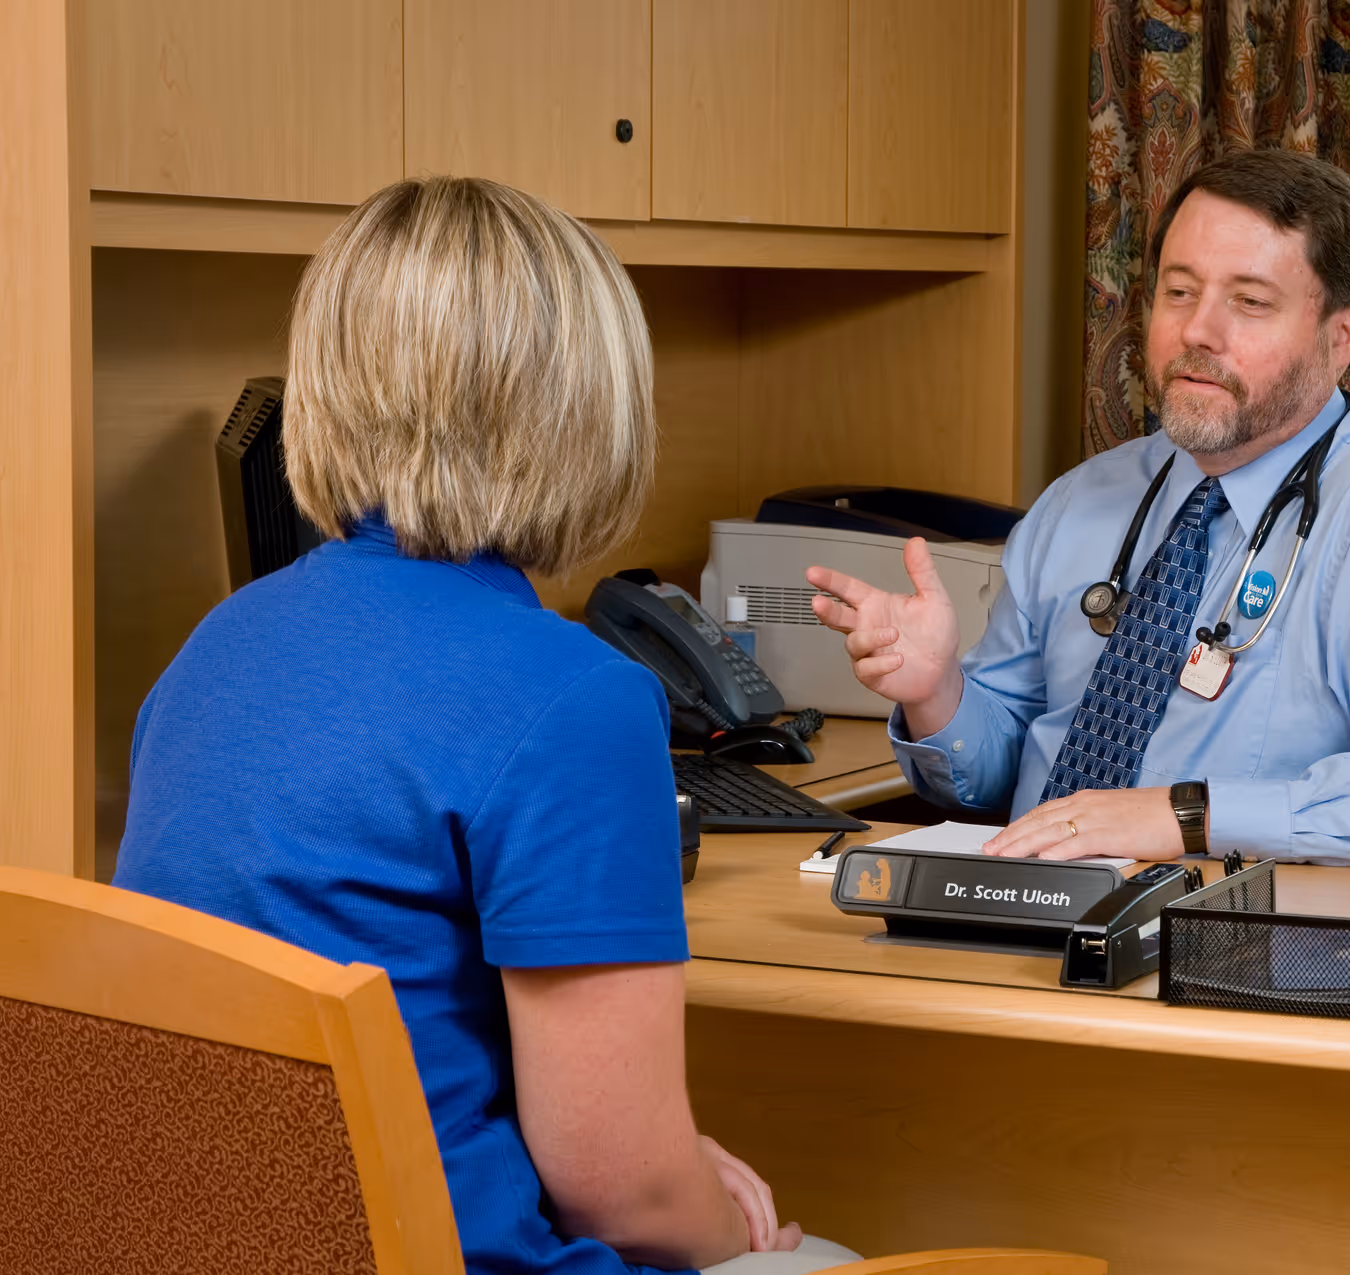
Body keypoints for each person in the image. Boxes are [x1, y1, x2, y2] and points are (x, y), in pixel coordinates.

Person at [114, 177, 858, 1275]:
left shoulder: (211, 651)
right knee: (823, 1257)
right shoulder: (577, 697)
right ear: (583, 410)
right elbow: (626, 1193)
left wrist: (662, 1158)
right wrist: (728, 1219)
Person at [808, 150, 1350, 867]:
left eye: (1249, 302)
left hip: (1242, 953)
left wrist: (1188, 815)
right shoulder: (1082, 501)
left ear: (1343, 334)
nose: (1198, 332)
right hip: (1031, 921)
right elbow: (1000, 771)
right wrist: (939, 693)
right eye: (1180, 292)